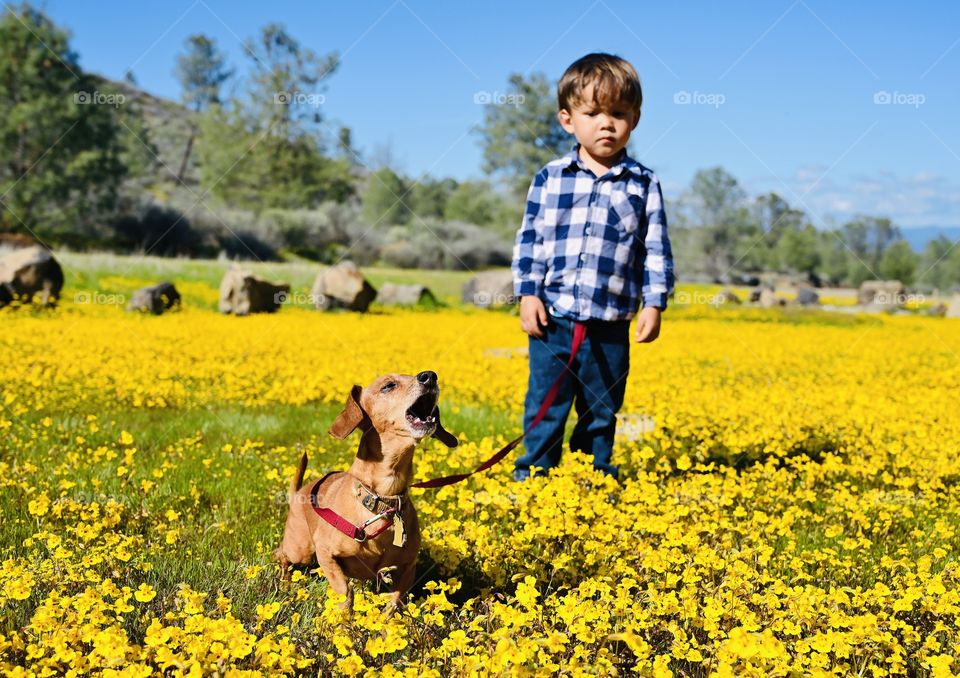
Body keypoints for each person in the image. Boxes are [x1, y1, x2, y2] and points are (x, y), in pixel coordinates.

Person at [511, 52, 675, 482]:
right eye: (593, 113)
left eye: (618, 114)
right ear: (567, 120)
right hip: (553, 319)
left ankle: (593, 479)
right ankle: (535, 477)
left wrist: (654, 303)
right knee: (545, 404)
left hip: (611, 324)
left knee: (601, 409)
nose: (607, 124)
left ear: (634, 119)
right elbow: (530, 240)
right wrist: (528, 293)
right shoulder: (550, 177)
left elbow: (656, 248)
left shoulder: (644, 183)